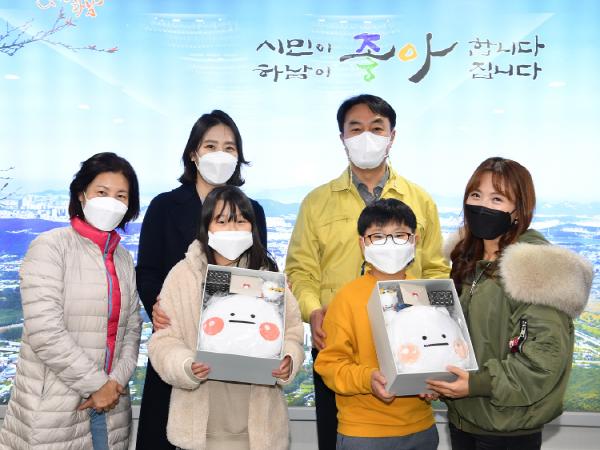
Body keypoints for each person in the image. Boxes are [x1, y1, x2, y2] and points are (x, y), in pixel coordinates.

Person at [285, 94, 449, 448]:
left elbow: (436, 268)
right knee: (340, 433)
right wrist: (314, 311)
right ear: (342, 137)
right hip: (339, 341)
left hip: (410, 340)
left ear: (392, 135)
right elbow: (300, 270)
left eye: (376, 128)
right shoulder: (316, 202)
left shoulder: (420, 200)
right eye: (355, 128)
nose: (366, 137)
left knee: (412, 428)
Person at [427, 157, 593, 450]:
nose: (482, 206)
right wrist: (438, 380)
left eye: (497, 199)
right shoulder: (467, 261)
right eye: (476, 195)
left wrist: (476, 384)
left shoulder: (536, 269)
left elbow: (541, 363)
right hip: (464, 419)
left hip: (507, 429)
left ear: (519, 210)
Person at [135, 110, 268, 449]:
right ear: (193, 153)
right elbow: (147, 271)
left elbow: (258, 269)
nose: (220, 154)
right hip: (178, 340)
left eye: (229, 147)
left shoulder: (252, 209)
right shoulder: (164, 206)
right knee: (167, 432)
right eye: (210, 146)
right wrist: (159, 307)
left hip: (234, 342)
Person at [0, 152, 143, 450]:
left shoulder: (122, 258)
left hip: (112, 407)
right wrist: (97, 385)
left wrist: (114, 383)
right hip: (54, 408)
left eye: (121, 196)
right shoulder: (51, 247)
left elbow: (132, 328)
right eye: (101, 192)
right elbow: (45, 332)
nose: (111, 202)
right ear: (81, 195)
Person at [147, 185, 304, 450]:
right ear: (206, 226)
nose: (232, 228)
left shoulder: (268, 278)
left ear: (252, 227)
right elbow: (163, 341)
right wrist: (186, 366)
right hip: (199, 431)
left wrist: (289, 359)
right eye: (221, 221)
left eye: (240, 221)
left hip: (259, 432)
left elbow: (293, 332)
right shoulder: (182, 276)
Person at [314, 198, 439, 450]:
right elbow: (329, 365)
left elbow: (435, 351)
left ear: (414, 240)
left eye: (400, 235)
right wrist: (368, 379)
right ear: (363, 244)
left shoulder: (424, 294)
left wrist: (435, 382)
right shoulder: (347, 298)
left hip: (422, 427)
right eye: (378, 236)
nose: (390, 243)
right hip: (364, 432)